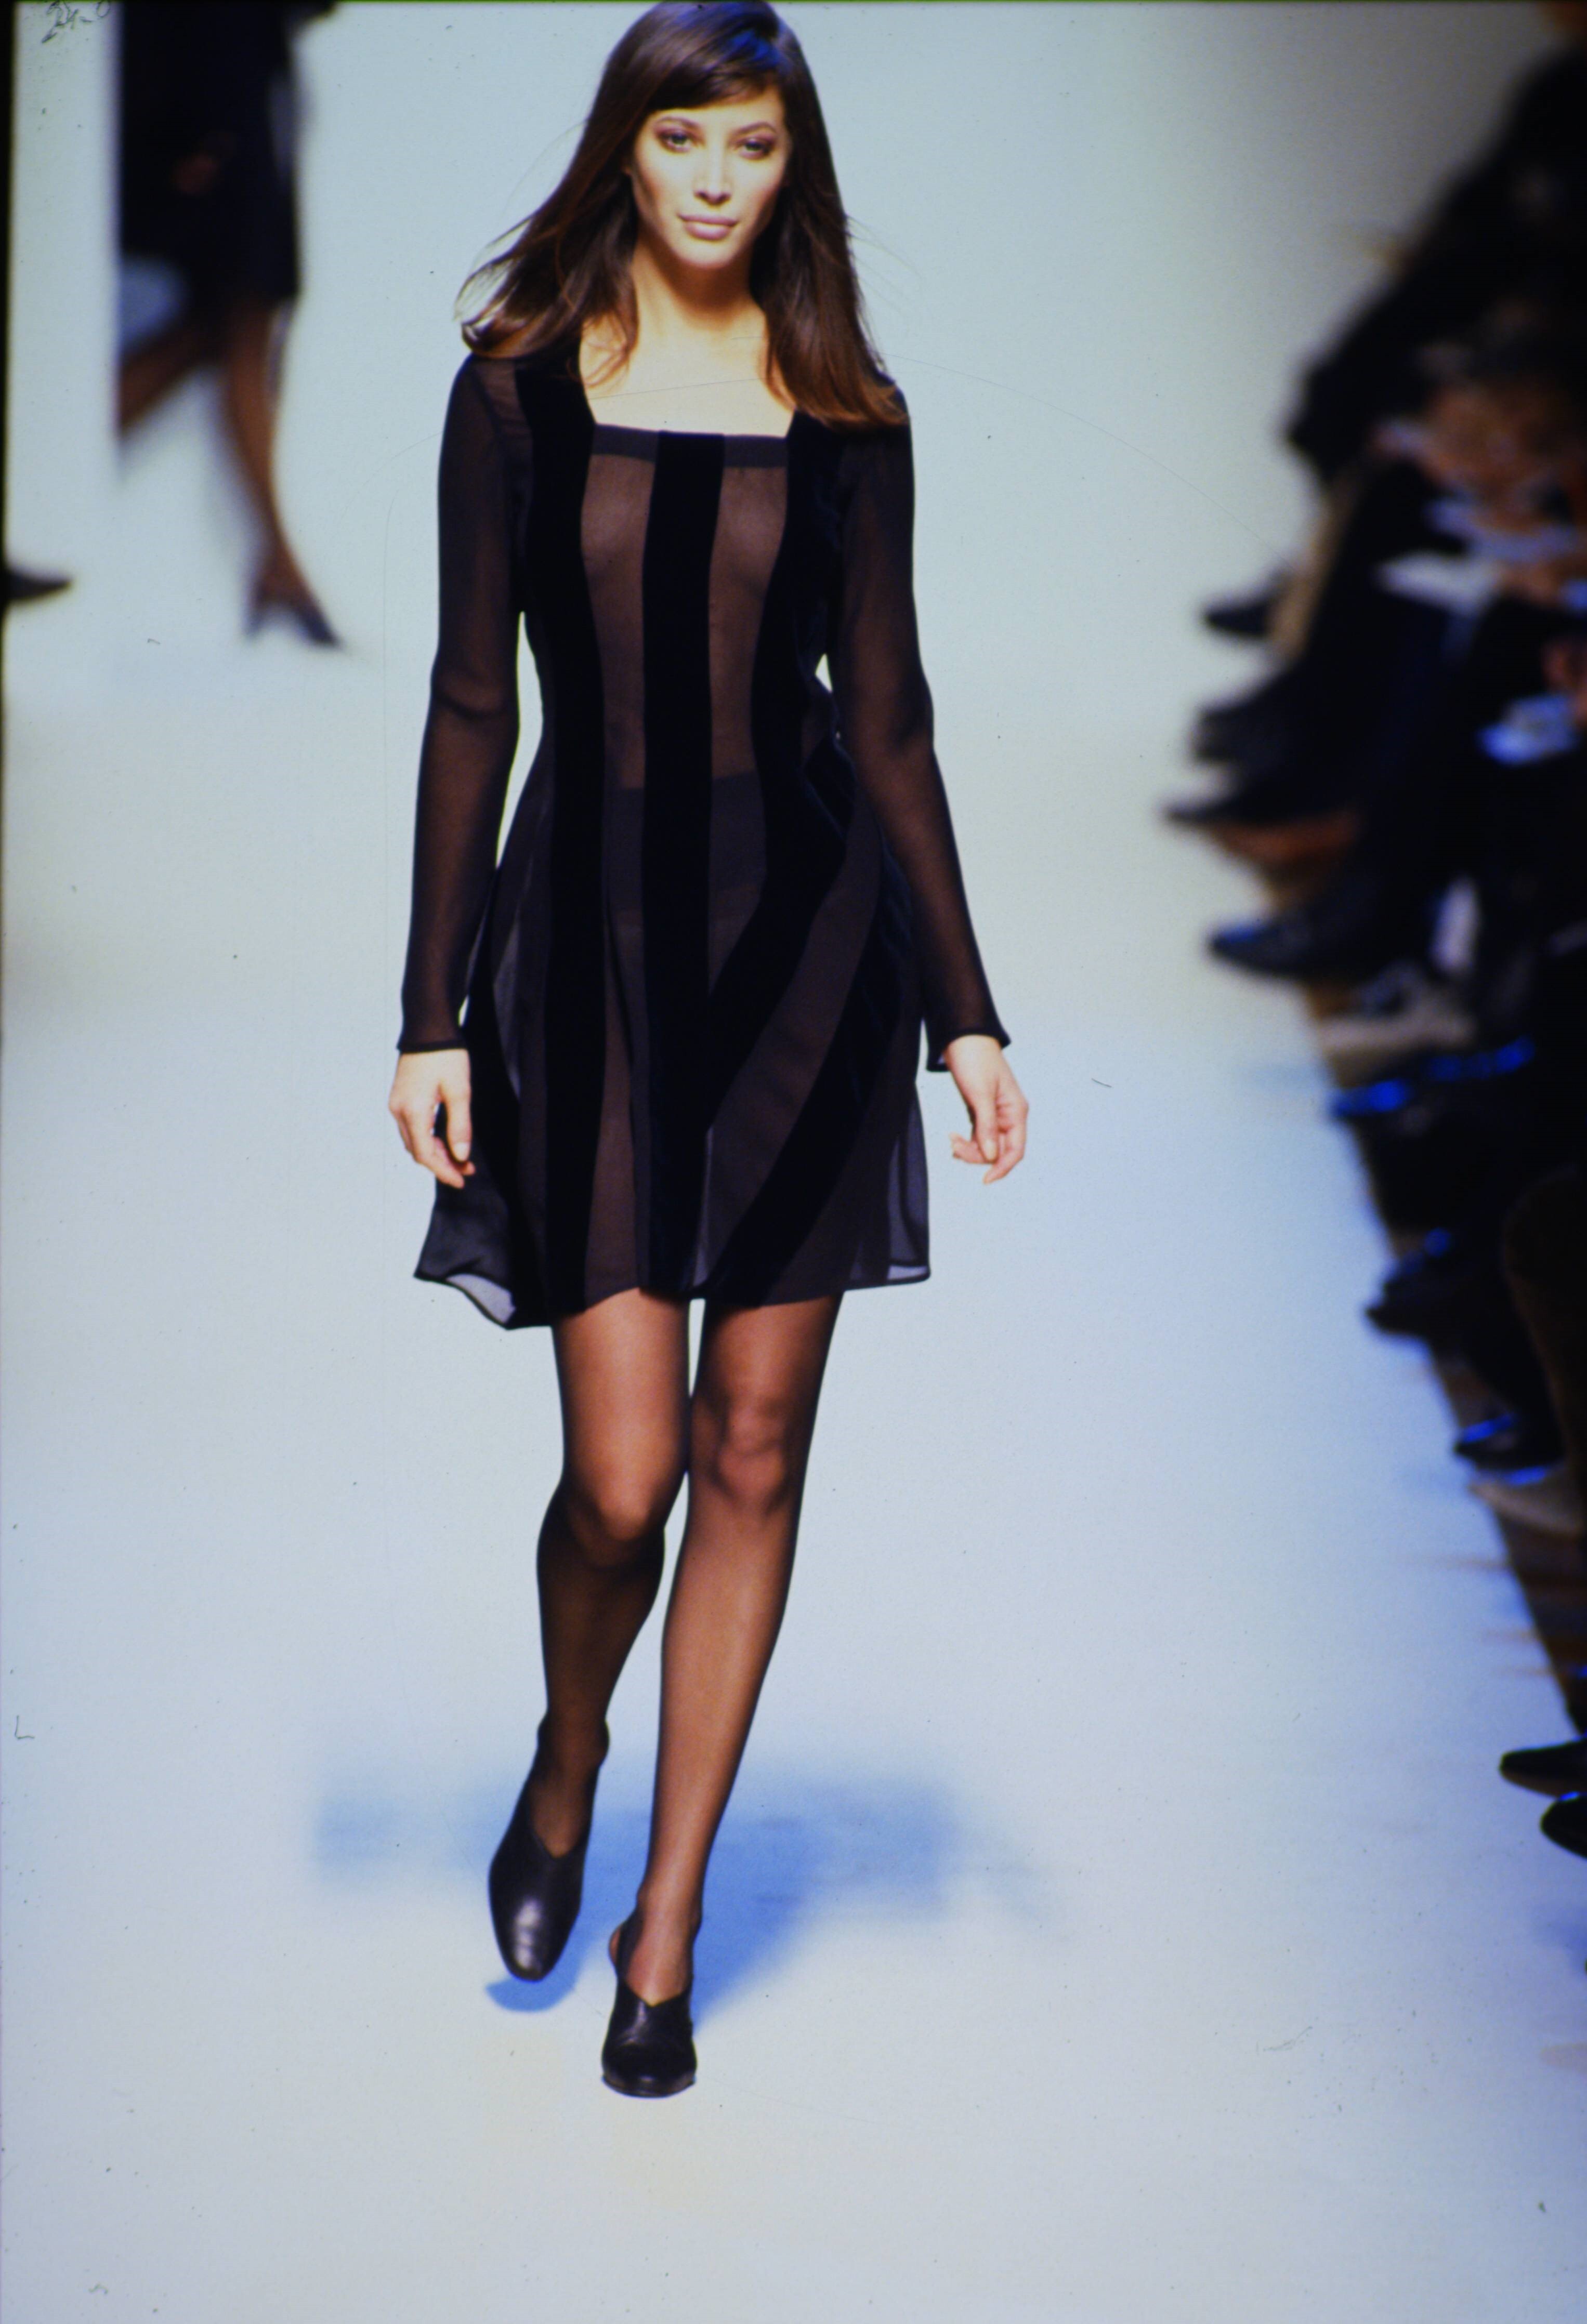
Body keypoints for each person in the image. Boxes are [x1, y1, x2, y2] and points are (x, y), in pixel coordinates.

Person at [387, 2, 1026, 2099]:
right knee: (623, 1476)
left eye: (753, 146)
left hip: (808, 959)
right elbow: (469, 703)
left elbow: (889, 720)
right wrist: (425, 1011)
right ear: (627, 152)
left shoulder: (847, 414)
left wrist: (965, 1005)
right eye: (684, 143)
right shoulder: (515, 392)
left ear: (790, 163)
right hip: (582, 955)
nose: (717, 183)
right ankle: (568, 1750)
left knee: (752, 1447)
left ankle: (661, 1936)